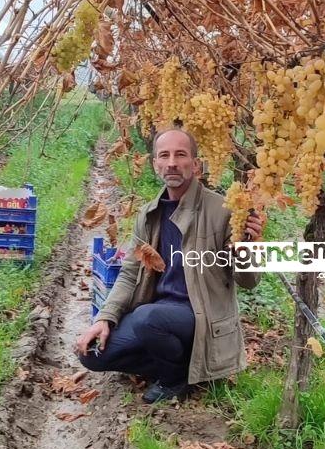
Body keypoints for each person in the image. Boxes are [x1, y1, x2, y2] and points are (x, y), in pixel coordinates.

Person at [73, 128, 264, 403]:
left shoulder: (221, 210)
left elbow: (247, 282)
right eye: (164, 155)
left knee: (146, 318)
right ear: (155, 164)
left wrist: (250, 247)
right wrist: (105, 318)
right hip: (159, 314)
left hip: (200, 317)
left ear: (195, 164)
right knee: (90, 355)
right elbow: (129, 274)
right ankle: (188, 365)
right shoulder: (149, 214)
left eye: (180, 154)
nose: (172, 162)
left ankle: (175, 378)